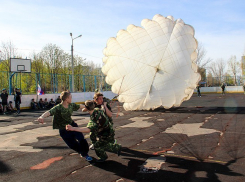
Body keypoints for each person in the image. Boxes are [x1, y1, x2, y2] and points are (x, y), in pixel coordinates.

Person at [37, 91, 92, 162]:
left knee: (81, 139)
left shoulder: (71, 105)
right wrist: (42, 117)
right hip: (63, 129)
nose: (71, 98)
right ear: (66, 99)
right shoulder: (58, 108)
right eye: (70, 97)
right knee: (72, 144)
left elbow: (80, 106)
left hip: (72, 125)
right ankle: (82, 152)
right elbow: (49, 112)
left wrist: (89, 107)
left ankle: (85, 153)